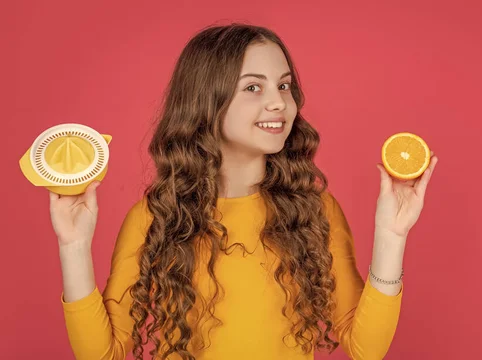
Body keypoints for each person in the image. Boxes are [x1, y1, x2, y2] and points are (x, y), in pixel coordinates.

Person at [49, 23, 439, 360]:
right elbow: (103, 353)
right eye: (253, 87)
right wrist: (73, 247)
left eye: (284, 85)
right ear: (206, 102)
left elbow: (366, 347)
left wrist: (391, 235)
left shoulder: (314, 211)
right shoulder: (155, 218)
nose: (279, 103)